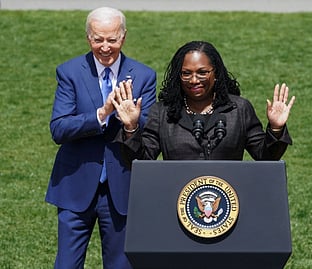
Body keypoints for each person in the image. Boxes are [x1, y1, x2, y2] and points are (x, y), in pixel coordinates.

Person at [46, 7, 157, 269]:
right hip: (75, 187)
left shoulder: (144, 76)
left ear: (123, 37)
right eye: (98, 39)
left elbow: (151, 132)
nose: (105, 47)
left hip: (122, 187)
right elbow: (59, 129)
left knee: (121, 265)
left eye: (111, 39)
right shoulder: (70, 72)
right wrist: (101, 113)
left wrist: (131, 123)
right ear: (88, 38)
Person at [112, 40, 295, 163]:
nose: (194, 80)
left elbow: (266, 157)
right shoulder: (163, 112)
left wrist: (276, 129)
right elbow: (141, 162)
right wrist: (130, 128)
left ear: (215, 74)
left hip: (228, 205)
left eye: (202, 72)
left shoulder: (238, 109)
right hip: (177, 202)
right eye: (186, 73)